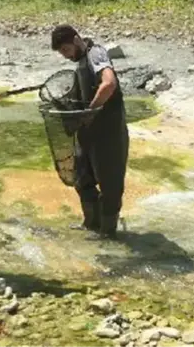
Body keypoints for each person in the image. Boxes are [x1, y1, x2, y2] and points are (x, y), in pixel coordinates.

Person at [50, 24, 129, 240]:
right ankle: (90, 224)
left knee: (110, 184)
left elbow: (109, 84)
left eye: (66, 50)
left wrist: (90, 111)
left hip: (109, 133)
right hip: (88, 134)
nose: (66, 56)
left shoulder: (96, 54)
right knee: (82, 178)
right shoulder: (80, 63)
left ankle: (107, 233)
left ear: (76, 40)